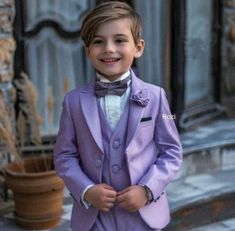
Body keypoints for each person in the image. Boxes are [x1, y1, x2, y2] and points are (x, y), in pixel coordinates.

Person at [53, 1, 182, 231]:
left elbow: (172, 151)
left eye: (120, 40)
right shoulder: (72, 101)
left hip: (143, 215)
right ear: (88, 50)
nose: (109, 49)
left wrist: (147, 189)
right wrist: (86, 190)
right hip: (95, 218)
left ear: (138, 47)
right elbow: (64, 156)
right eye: (98, 41)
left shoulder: (157, 96)